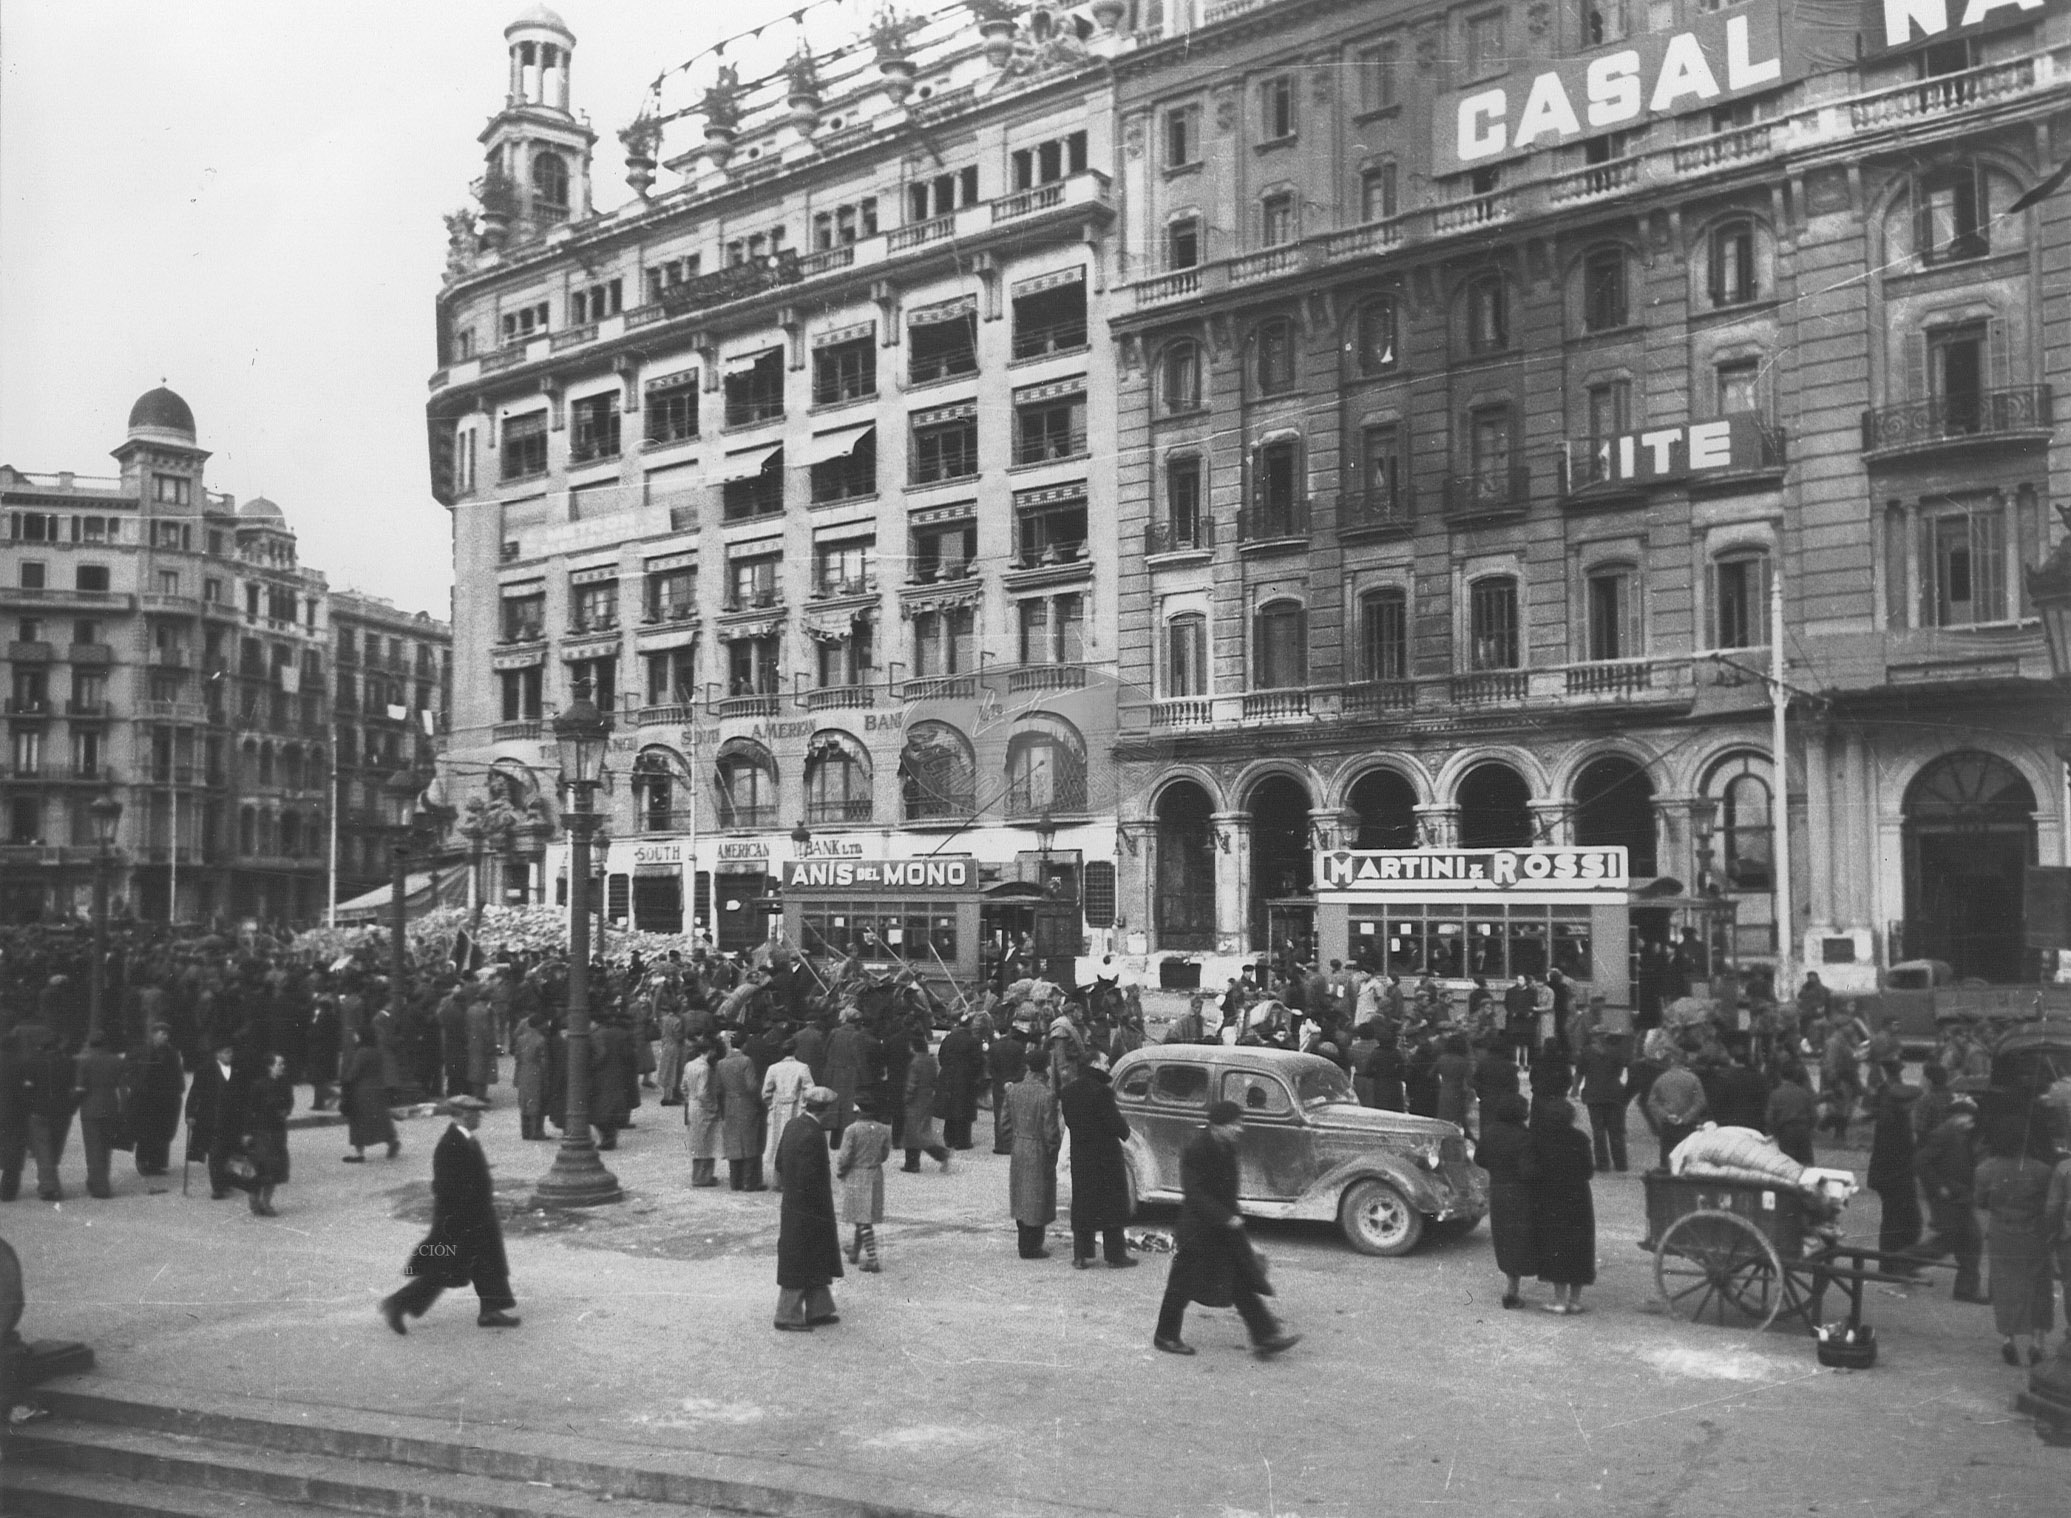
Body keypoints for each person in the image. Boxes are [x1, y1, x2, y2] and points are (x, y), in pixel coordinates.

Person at [1152, 1100, 1300, 1358]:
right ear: (1217, 1126)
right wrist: (1226, 1218)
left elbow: (1228, 1194)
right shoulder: (1196, 1149)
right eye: (1234, 1124)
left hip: (1221, 1228)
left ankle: (1265, 1337)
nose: (1239, 1129)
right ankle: (1165, 1336)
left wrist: (1238, 1229)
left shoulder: (1227, 1147)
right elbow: (1194, 1194)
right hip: (1196, 1230)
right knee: (1180, 1285)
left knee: (1240, 1281)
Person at [379, 1096, 518, 1334]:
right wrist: (468, 1212)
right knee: (444, 1269)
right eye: (475, 1113)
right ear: (463, 1115)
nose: (479, 1117)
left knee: (487, 1263)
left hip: (475, 1216)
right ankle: (397, 1304)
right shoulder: (450, 1144)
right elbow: (445, 1187)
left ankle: (490, 1311)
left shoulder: (465, 1139)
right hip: (460, 1220)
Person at [1973, 1114, 2058, 1366]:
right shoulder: (2042, 1171)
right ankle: (2037, 1341)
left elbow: (1980, 1202)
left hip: (2002, 1233)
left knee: (2005, 1286)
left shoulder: (1984, 1169)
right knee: (2037, 1285)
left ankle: (2008, 1340)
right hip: (2033, 1234)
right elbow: (2050, 1205)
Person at [772, 1086, 843, 1331]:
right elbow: (809, 1178)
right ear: (826, 1111)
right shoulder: (813, 1134)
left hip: (795, 1204)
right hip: (810, 1208)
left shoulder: (794, 1125)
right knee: (803, 1257)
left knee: (810, 1256)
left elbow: (779, 1162)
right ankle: (787, 1315)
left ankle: (819, 1308)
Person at [1059, 1053, 1137, 1271]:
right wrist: (1125, 1128)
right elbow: (1118, 1127)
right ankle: (1115, 1255)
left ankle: (1081, 1255)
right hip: (1106, 1157)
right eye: (1105, 1062)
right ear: (1094, 1064)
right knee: (1112, 1205)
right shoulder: (1103, 1092)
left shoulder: (1069, 1091)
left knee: (1083, 1203)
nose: (1108, 1065)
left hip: (1081, 1155)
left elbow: (1069, 1121)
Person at [1905, 1096, 1985, 1302]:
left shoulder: (1961, 1134)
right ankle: (1903, 1262)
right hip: (1948, 1198)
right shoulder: (1943, 1134)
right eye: (1969, 1117)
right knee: (1947, 1241)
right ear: (1957, 1116)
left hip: (1961, 1197)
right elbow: (1921, 1162)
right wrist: (1939, 1186)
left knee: (1971, 1240)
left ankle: (1966, 1291)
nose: (1972, 1122)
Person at [1528, 1097, 1596, 1314]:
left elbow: (1533, 1171)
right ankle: (1575, 1301)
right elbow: (1588, 1171)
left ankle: (1559, 1300)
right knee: (1579, 1246)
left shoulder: (1540, 1139)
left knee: (1555, 1245)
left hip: (1551, 1197)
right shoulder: (1580, 1139)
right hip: (1578, 1197)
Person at [1478, 1093, 1538, 1308]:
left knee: (1504, 1238)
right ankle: (1513, 1288)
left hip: (1498, 1190)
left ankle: (1511, 1286)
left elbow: (1480, 1158)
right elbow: (1528, 1171)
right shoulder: (1525, 1136)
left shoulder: (1490, 1132)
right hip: (1521, 1193)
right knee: (1520, 1238)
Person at [1000, 1057, 1061, 1260]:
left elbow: (1004, 1124)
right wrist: (1053, 1154)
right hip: (1038, 1147)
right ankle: (1033, 1246)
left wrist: (1013, 1143)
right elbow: (1051, 1131)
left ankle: (1023, 1243)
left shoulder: (1013, 1090)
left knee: (1021, 1195)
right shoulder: (1047, 1095)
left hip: (1019, 1145)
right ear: (1045, 1068)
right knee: (1037, 1197)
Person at [1865, 1062, 1923, 1266]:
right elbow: (1895, 1155)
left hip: (1892, 1178)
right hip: (1894, 1179)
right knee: (1897, 1221)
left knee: (1900, 1220)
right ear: (1904, 1104)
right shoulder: (1894, 1124)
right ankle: (1890, 1263)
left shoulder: (1893, 1118)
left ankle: (1896, 1262)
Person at [834, 1092, 892, 1274]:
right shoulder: (883, 1129)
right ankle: (854, 1251)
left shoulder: (851, 1130)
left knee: (863, 1219)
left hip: (857, 1175)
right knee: (863, 1215)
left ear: (857, 1109)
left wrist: (841, 1171)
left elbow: (844, 1157)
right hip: (875, 1174)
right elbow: (884, 1155)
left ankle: (872, 1259)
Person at [185, 1037, 246, 1198]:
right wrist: (190, 1113)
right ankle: (217, 1187)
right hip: (212, 1118)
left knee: (229, 1150)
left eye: (231, 1052)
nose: (230, 1055)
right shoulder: (205, 1070)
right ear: (217, 1054)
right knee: (215, 1152)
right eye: (227, 1052)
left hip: (232, 1119)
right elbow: (194, 1093)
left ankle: (226, 1181)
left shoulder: (237, 1070)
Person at [72, 1033, 126, 1201]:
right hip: (110, 1107)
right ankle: (97, 1180)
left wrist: (71, 1106)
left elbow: (80, 1087)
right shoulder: (116, 1060)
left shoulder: (85, 1061)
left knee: (93, 1148)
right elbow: (123, 1087)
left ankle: (100, 1186)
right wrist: (123, 1108)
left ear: (91, 1043)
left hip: (90, 1109)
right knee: (105, 1147)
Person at [127, 1023, 185, 1177]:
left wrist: (178, 1090)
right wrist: (137, 1088)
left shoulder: (172, 1053)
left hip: (166, 1098)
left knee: (163, 1131)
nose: (164, 1036)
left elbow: (178, 1074)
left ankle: (157, 1164)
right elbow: (132, 1072)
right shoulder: (143, 1051)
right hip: (146, 1098)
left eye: (166, 1033)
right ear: (153, 1035)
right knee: (146, 1131)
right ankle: (142, 1161)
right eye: (161, 1033)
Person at [242, 1053, 293, 1218]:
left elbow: (289, 1102)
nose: (282, 1067)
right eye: (279, 1064)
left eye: (283, 1064)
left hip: (278, 1131)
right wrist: (247, 1132)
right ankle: (254, 1198)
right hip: (261, 1131)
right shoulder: (258, 1086)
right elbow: (250, 1110)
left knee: (275, 1169)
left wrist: (285, 1111)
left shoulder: (285, 1084)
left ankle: (267, 1202)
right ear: (270, 1067)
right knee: (261, 1167)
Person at [761, 1039, 814, 1193]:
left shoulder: (773, 1068)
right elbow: (810, 1089)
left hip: (778, 1109)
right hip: (795, 1108)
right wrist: (804, 1104)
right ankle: (792, 1180)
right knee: (795, 1142)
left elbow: (766, 1092)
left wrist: (771, 1105)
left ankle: (777, 1180)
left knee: (776, 1142)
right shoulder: (802, 1067)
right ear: (795, 1051)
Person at [340, 1032, 400, 1164]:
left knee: (358, 1122)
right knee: (381, 1120)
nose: (355, 1036)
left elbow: (354, 1073)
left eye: (357, 1034)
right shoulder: (376, 1052)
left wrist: (345, 1080)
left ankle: (359, 1153)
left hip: (361, 1092)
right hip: (377, 1090)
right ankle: (392, 1141)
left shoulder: (361, 1052)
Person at [716, 1035, 765, 1190]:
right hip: (746, 1103)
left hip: (729, 1104)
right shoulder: (746, 1061)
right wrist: (759, 1100)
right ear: (743, 1045)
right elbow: (751, 1086)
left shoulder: (721, 1063)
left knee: (733, 1141)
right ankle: (750, 1182)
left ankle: (735, 1181)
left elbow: (717, 1088)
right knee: (750, 1140)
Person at [1645, 1050, 1708, 1171]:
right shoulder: (1693, 1079)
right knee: (1686, 1155)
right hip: (1688, 1125)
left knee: (1667, 1156)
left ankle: (1666, 1177)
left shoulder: (1661, 1079)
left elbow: (1651, 1102)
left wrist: (1666, 1115)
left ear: (1669, 1063)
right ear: (1685, 1062)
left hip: (1668, 1124)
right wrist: (1686, 1117)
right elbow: (1700, 1102)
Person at [1574, 1031, 1627, 1173]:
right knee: (1616, 1130)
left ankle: (1603, 1164)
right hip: (1614, 1094)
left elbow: (1579, 1073)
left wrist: (1574, 1089)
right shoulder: (1616, 1052)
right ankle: (1621, 1163)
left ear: (1593, 1037)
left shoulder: (1586, 1052)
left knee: (1598, 1131)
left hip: (1594, 1095)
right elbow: (1619, 1072)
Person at [900, 1031, 951, 1173]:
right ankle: (912, 1163)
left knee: (914, 1133)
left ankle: (937, 1155)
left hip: (916, 1100)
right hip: (927, 1098)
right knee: (920, 1130)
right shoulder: (930, 1061)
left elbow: (912, 1084)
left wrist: (906, 1098)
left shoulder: (915, 1062)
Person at [934, 1016, 985, 1152]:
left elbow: (941, 1057)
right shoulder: (973, 1041)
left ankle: (949, 1138)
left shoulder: (948, 1039)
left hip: (948, 1077)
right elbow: (978, 1062)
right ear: (969, 1026)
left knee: (949, 1108)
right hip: (965, 1079)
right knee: (964, 1110)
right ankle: (962, 1141)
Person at [683, 1040, 723, 1187]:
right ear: (710, 1050)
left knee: (696, 1142)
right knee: (708, 1142)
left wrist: (689, 1099)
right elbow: (702, 1093)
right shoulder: (705, 1069)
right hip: (703, 1108)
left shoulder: (689, 1065)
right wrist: (712, 1107)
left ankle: (697, 1175)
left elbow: (684, 1086)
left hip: (692, 1105)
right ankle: (704, 1177)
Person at [1765, 1060, 1818, 1166]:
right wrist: (1809, 1128)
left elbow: (1769, 1118)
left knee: (1787, 1163)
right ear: (1795, 1075)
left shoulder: (1776, 1094)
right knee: (1806, 1163)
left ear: (1780, 1075)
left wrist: (1774, 1132)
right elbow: (1814, 1115)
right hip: (1803, 1130)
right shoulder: (1803, 1093)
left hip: (1786, 1131)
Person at [512, 1015, 549, 1141]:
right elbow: (543, 1061)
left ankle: (526, 1131)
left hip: (523, 1071)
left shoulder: (521, 1039)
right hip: (536, 1073)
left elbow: (517, 1056)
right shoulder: (541, 1040)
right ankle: (537, 1132)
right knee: (537, 1101)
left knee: (525, 1101)